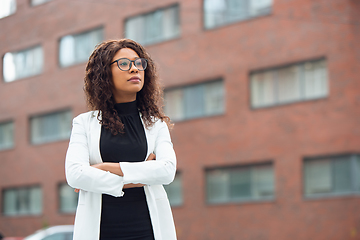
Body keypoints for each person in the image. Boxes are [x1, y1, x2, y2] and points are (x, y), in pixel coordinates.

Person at [65, 39, 177, 240]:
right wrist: (138, 179)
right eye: (124, 64)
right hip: (101, 232)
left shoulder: (156, 124)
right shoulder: (83, 123)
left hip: (148, 231)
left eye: (138, 63)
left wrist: (101, 168)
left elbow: (167, 171)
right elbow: (75, 175)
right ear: (104, 74)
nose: (134, 69)